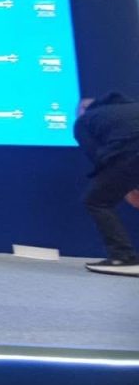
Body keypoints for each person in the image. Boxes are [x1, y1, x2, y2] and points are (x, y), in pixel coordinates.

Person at [73, 93, 139, 277]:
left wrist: (127, 188)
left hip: (130, 154)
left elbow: (99, 157)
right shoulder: (129, 108)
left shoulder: (84, 121)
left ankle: (123, 258)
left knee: (96, 201)